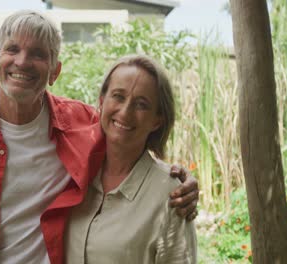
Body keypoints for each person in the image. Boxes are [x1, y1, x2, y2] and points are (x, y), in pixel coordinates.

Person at [0, 10, 198, 264]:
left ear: (55, 70)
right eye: (12, 49)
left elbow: (130, 139)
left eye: (37, 53)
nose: (22, 61)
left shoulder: (85, 123)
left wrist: (177, 181)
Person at [65, 55, 196, 263]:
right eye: (118, 96)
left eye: (141, 105)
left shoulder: (171, 195)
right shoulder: (73, 172)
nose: (125, 112)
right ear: (102, 101)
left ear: (157, 120)